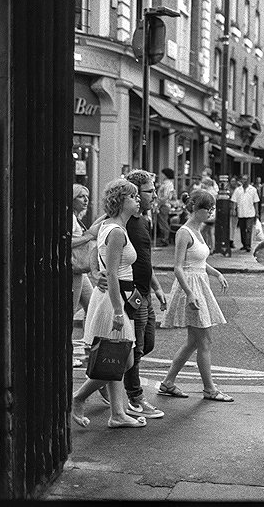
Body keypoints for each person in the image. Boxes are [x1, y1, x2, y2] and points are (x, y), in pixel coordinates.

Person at [90, 170, 169, 419]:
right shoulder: (116, 223)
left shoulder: (141, 221)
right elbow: (94, 242)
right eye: (148, 191)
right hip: (126, 294)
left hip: (141, 292)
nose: (153, 195)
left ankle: (112, 390)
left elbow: (144, 260)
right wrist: (96, 273)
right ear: (129, 195)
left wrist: (156, 287)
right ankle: (134, 397)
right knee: (129, 351)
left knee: (143, 345)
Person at [71, 179, 146, 429]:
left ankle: (118, 413)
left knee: (117, 354)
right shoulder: (115, 231)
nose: (137, 200)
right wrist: (117, 310)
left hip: (116, 297)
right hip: (114, 300)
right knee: (123, 359)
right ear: (121, 201)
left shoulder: (110, 225)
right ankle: (78, 398)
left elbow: (94, 250)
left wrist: (95, 271)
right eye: (133, 196)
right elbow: (112, 273)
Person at [159, 190, 233, 402]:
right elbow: (178, 267)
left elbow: (199, 261)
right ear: (194, 208)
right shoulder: (184, 232)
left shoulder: (198, 230)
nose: (211, 212)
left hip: (201, 284)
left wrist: (216, 273)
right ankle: (210, 389)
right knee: (205, 341)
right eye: (207, 208)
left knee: (193, 341)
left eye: (212, 208)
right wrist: (190, 293)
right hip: (191, 288)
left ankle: (168, 382)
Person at [71, 184, 94, 367]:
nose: (85, 200)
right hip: (74, 270)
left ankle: (89, 345)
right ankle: (66, 352)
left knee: (91, 304)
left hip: (79, 270)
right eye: (81, 196)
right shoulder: (70, 218)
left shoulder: (76, 217)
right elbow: (67, 241)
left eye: (87, 196)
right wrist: (88, 237)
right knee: (69, 311)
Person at [232, 175, 260, 252]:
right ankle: (244, 244)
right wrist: (234, 209)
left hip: (250, 213)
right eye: (242, 179)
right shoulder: (238, 190)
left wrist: (257, 212)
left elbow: (256, 202)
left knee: (248, 229)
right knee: (242, 229)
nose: (243, 181)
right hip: (241, 213)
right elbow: (234, 201)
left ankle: (248, 245)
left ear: (248, 180)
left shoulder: (253, 189)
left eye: (245, 179)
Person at [198, 169, 219, 248]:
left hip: (207, 212)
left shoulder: (207, 192)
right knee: (210, 232)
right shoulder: (213, 190)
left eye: (204, 175)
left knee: (202, 230)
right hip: (212, 212)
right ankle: (211, 247)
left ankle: (206, 246)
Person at [156, 168, 176, 247]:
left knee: (163, 222)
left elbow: (166, 196)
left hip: (163, 205)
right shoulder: (165, 183)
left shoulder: (168, 184)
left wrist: (159, 204)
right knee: (162, 222)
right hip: (162, 204)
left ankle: (165, 238)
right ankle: (164, 238)